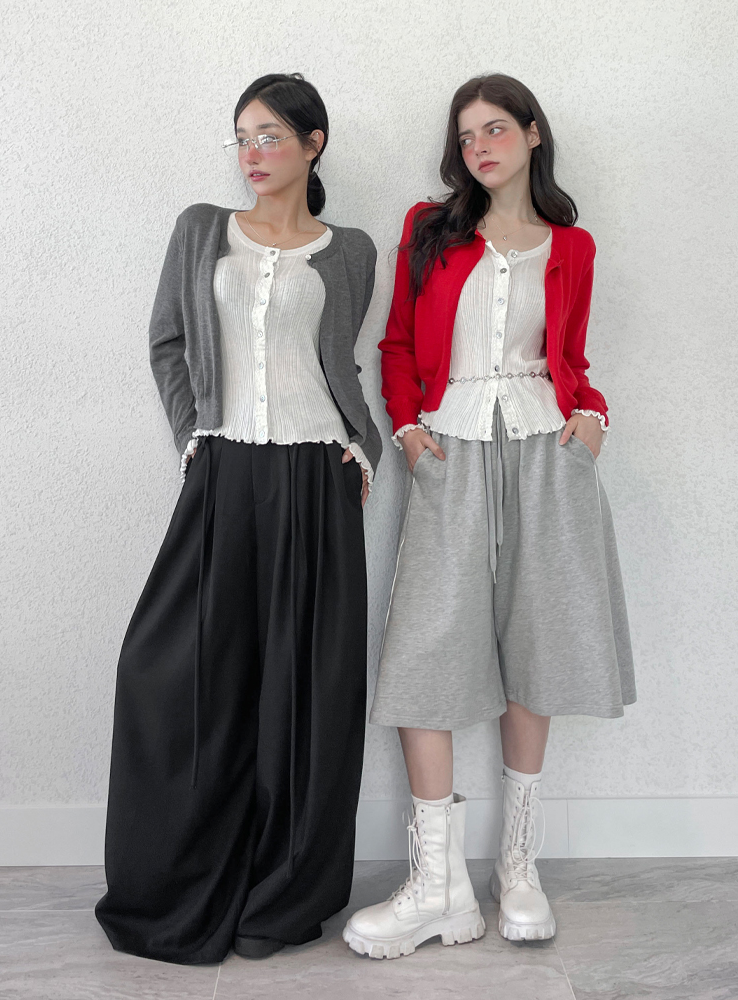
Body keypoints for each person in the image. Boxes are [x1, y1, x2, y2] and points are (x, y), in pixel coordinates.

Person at [343, 73, 635, 960]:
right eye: (466, 136)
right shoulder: (428, 229)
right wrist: (406, 431)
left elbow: (571, 356)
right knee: (424, 654)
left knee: (534, 647)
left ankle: (517, 868)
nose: (479, 147)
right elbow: (397, 343)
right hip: (449, 448)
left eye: (496, 128)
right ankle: (438, 888)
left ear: (532, 134)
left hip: (548, 451)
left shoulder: (573, 246)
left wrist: (595, 416)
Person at [95, 72, 381, 965]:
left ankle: (282, 895)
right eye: (242, 137)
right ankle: (179, 877)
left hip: (318, 473)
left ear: (312, 144)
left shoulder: (351, 249)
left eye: (269, 136)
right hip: (222, 470)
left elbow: (338, 363)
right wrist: (194, 435)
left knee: (307, 691)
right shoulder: (200, 230)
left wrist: (363, 448)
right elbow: (168, 342)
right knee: (172, 672)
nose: (251, 153)